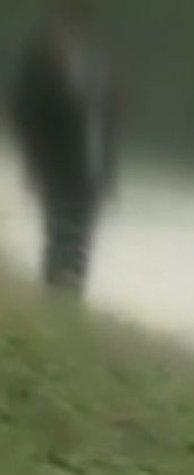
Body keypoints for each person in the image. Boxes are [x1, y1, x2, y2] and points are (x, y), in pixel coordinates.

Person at [9, 0, 120, 296]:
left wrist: (107, 170)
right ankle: (56, 299)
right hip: (57, 167)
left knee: (81, 242)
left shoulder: (95, 64)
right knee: (61, 237)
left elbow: (106, 118)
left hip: (91, 168)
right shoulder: (41, 61)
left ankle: (70, 298)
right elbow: (22, 112)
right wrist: (35, 161)